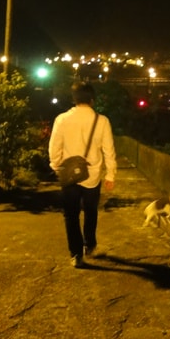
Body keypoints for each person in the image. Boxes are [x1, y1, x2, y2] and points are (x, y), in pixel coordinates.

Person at [48, 82, 117, 268]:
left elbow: (54, 147)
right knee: (91, 211)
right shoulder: (102, 121)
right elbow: (109, 150)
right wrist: (110, 175)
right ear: (92, 100)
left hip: (69, 175)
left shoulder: (62, 119)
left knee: (71, 215)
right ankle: (90, 244)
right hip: (92, 175)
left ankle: (76, 254)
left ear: (74, 99)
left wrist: (56, 166)